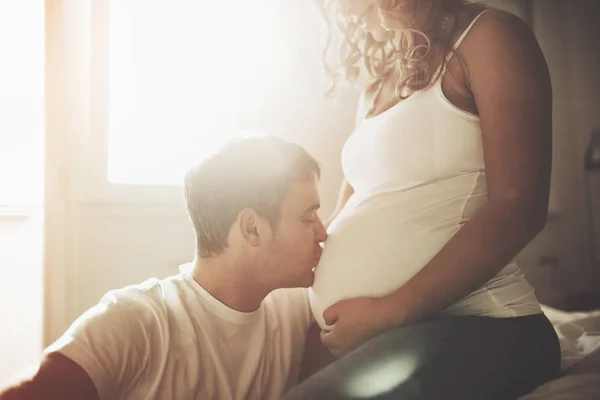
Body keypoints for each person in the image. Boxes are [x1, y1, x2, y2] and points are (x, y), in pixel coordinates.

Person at [286, 0, 560, 399]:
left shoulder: (490, 36)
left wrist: (389, 311)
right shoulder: (376, 86)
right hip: (380, 332)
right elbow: (353, 207)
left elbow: (519, 208)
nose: (345, 10)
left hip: (485, 322)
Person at [0, 135, 328, 400]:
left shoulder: (294, 307)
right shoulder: (137, 321)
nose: (322, 232)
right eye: (308, 217)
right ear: (252, 229)